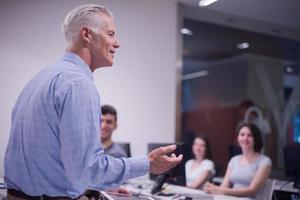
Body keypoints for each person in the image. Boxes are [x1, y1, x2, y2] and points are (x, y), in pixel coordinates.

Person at [4, 4, 182, 200]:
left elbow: (55, 165)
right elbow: (90, 169)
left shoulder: (39, 79)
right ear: (87, 34)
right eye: (111, 34)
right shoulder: (78, 85)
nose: (117, 43)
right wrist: (148, 163)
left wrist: (91, 188)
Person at [204, 123, 272, 199]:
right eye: (242, 135)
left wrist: (220, 190)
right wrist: (211, 188)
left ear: (256, 138)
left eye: (249, 135)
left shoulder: (265, 161)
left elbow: (252, 191)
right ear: (238, 138)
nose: (245, 138)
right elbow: (224, 186)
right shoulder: (234, 160)